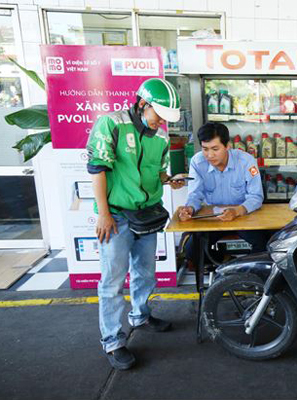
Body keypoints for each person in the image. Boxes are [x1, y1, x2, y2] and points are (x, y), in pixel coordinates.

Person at [87, 78, 186, 370]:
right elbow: (97, 170)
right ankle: (113, 340)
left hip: (147, 214)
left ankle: (140, 315)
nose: (161, 123)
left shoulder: (161, 138)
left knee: (145, 272)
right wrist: (103, 214)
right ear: (142, 104)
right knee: (113, 280)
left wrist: (170, 180)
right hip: (116, 217)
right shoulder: (111, 125)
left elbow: (157, 172)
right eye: (159, 116)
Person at [178, 122, 268, 254]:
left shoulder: (246, 161)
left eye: (215, 149)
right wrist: (189, 209)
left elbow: (256, 197)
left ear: (227, 146)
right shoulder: (197, 162)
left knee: (265, 247)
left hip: (243, 216)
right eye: (205, 149)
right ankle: (223, 268)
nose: (209, 155)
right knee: (191, 250)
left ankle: (246, 271)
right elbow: (195, 195)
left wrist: (237, 211)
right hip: (214, 218)